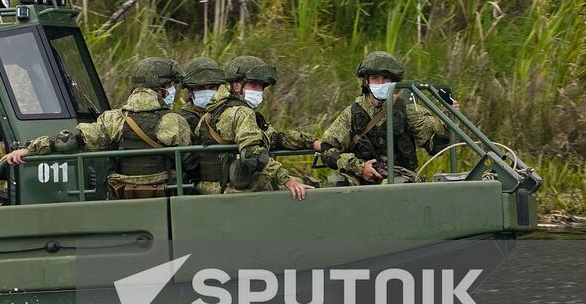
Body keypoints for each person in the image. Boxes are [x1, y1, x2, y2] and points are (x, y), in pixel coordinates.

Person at [3, 57, 191, 199]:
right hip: (165, 194)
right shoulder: (174, 121)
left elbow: (69, 141)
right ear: (161, 88)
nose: (172, 90)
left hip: (124, 195)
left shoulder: (114, 119)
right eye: (170, 85)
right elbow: (189, 162)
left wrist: (29, 149)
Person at [313, 51, 449, 186]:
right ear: (366, 81)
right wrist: (360, 168)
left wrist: (446, 121)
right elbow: (328, 149)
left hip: (399, 176)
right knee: (336, 183)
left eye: (385, 79)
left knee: (389, 185)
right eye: (375, 78)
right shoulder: (352, 113)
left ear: (393, 81)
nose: (380, 83)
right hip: (360, 176)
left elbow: (435, 146)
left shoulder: (407, 110)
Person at [191, 56, 310, 199]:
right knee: (308, 185)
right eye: (254, 84)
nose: (259, 90)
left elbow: (273, 137)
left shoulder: (211, 114)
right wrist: (286, 180)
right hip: (234, 190)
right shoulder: (242, 112)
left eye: (261, 86)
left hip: (208, 188)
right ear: (236, 86)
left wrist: (311, 142)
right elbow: (252, 153)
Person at [173, 56, 224, 186]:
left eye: (211, 87)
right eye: (201, 87)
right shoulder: (180, 119)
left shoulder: (228, 113)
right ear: (190, 91)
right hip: (194, 183)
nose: (207, 92)